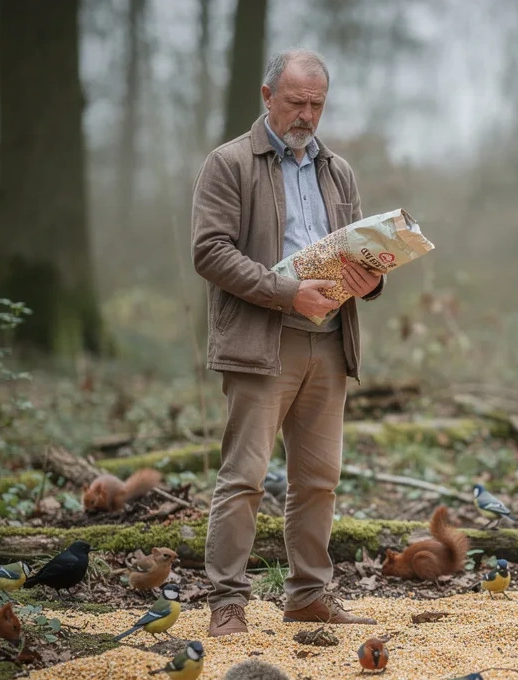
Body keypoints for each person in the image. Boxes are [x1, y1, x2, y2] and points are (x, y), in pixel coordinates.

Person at [192, 49, 383, 637]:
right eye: (296, 102)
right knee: (245, 477)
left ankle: (308, 596)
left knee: (319, 479)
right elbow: (210, 252)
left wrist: (372, 277)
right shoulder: (228, 164)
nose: (306, 115)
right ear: (266, 95)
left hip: (329, 342)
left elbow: (353, 251)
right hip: (260, 343)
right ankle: (227, 601)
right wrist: (287, 292)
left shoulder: (338, 171)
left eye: (317, 104)